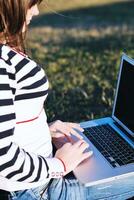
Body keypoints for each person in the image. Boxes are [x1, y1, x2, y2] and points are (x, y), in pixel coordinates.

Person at [0, 0, 133, 199]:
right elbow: (3, 157)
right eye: (31, 3)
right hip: (41, 191)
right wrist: (59, 165)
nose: (36, 11)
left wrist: (43, 131)